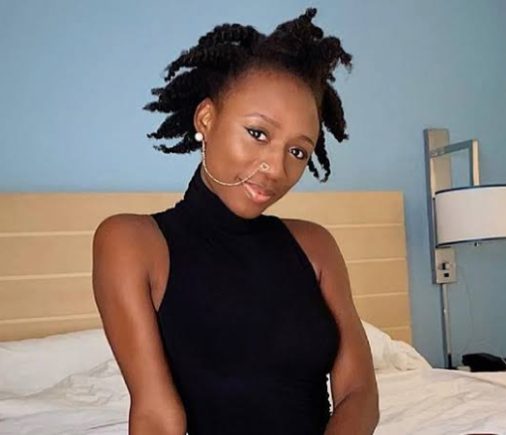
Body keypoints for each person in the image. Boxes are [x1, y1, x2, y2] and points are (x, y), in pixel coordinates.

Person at [91, 8, 378, 434]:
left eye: (297, 151)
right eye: (258, 133)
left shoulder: (315, 246)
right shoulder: (132, 241)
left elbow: (359, 393)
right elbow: (156, 415)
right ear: (206, 119)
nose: (276, 168)